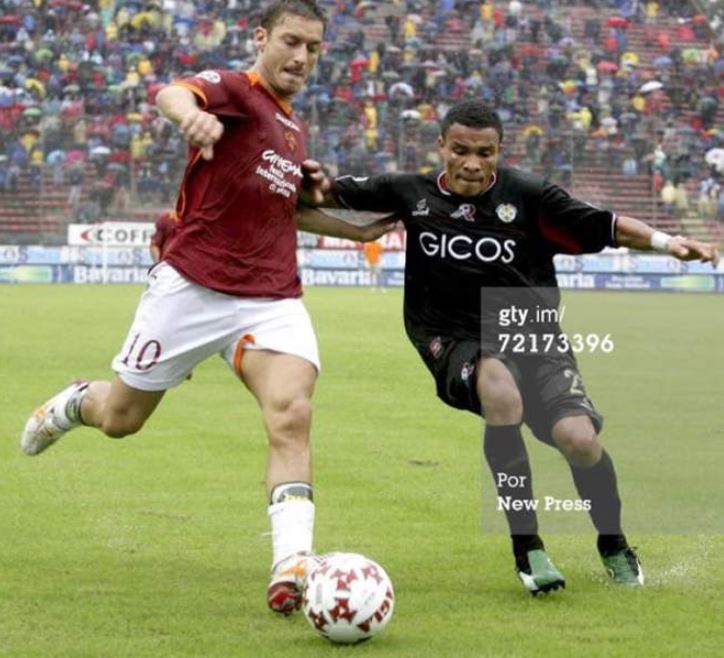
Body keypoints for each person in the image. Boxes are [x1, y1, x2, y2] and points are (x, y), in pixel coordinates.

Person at [20, 0, 391, 616]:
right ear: (261, 38)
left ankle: (293, 565)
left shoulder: (292, 128)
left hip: (271, 297)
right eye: (291, 42)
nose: (301, 57)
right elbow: (174, 92)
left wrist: (357, 229)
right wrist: (190, 117)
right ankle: (71, 403)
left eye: (314, 49)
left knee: (292, 412)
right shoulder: (237, 92)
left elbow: (284, 210)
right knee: (121, 418)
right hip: (191, 288)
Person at [300, 100, 720, 594]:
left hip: (531, 333)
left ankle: (614, 543)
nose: (472, 164)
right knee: (498, 385)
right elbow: (323, 193)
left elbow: (606, 225)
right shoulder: (408, 191)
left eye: (485, 153)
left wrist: (670, 244)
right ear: (441, 147)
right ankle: (529, 549)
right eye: (460, 151)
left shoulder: (529, 196)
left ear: (500, 151)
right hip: (450, 334)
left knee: (579, 440)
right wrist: (312, 180)